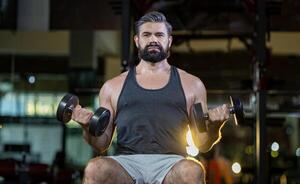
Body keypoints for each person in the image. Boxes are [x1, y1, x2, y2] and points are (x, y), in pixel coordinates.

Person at [71, 11, 230, 184]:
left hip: (172, 163)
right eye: (146, 35)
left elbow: (202, 144)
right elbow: (101, 144)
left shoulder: (192, 85)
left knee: (193, 170)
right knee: (95, 169)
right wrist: (87, 127)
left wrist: (215, 127)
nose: (153, 39)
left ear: (169, 41)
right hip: (127, 163)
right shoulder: (112, 87)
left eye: (159, 35)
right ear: (137, 41)